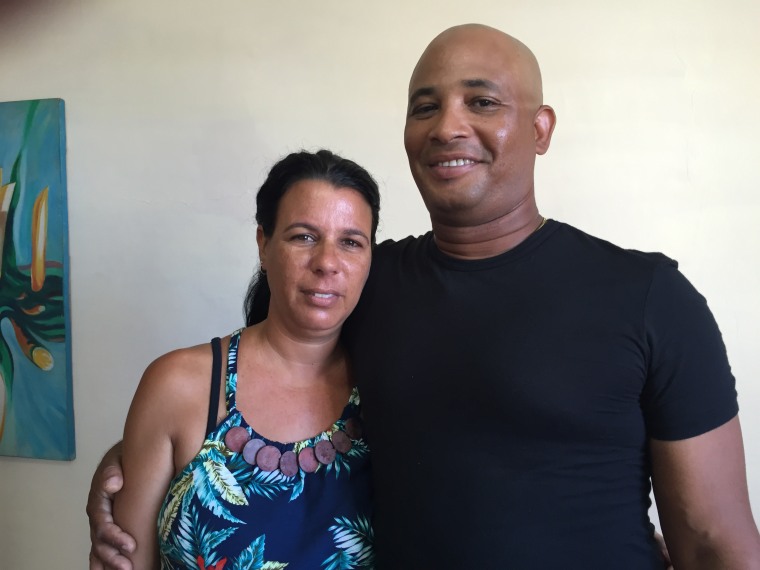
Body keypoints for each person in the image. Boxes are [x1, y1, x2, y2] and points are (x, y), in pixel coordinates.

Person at [89, 24, 760, 569]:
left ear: (541, 128)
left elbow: (711, 540)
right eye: (425, 106)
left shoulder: (646, 297)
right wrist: (133, 465)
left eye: (482, 101)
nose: (448, 126)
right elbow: (263, 384)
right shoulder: (370, 282)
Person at [108, 149, 381, 569]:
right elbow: (121, 559)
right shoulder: (179, 385)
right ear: (264, 244)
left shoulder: (390, 385)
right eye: (303, 236)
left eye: (350, 242)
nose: (327, 263)